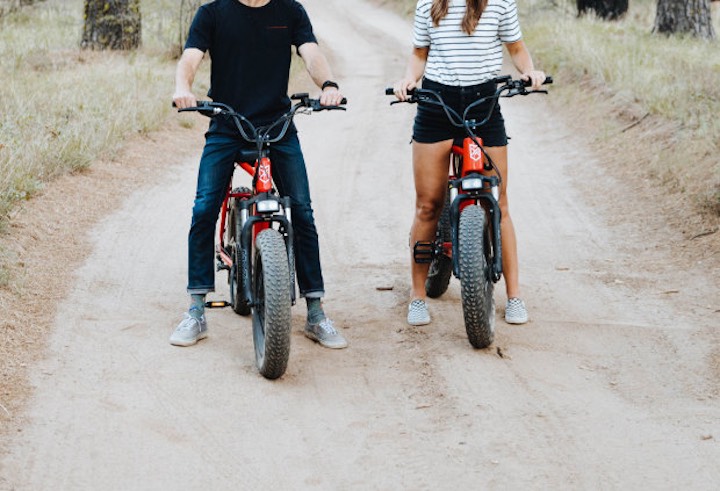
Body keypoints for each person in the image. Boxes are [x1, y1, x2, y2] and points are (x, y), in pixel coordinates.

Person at [171, 0, 347, 349]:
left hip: (277, 126)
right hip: (226, 123)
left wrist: (327, 84)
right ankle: (195, 309)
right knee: (204, 207)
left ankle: (315, 312)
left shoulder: (290, 11)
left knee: (303, 211)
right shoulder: (213, 12)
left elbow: (310, 53)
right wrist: (183, 88)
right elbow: (190, 58)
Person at [393, 0, 545, 326]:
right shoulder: (428, 3)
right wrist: (408, 80)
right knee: (428, 205)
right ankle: (417, 296)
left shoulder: (501, 3)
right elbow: (420, 54)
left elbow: (516, 47)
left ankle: (515, 296)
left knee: (499, 204)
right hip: (436, 103)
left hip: (484, 102)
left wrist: (529, 71)